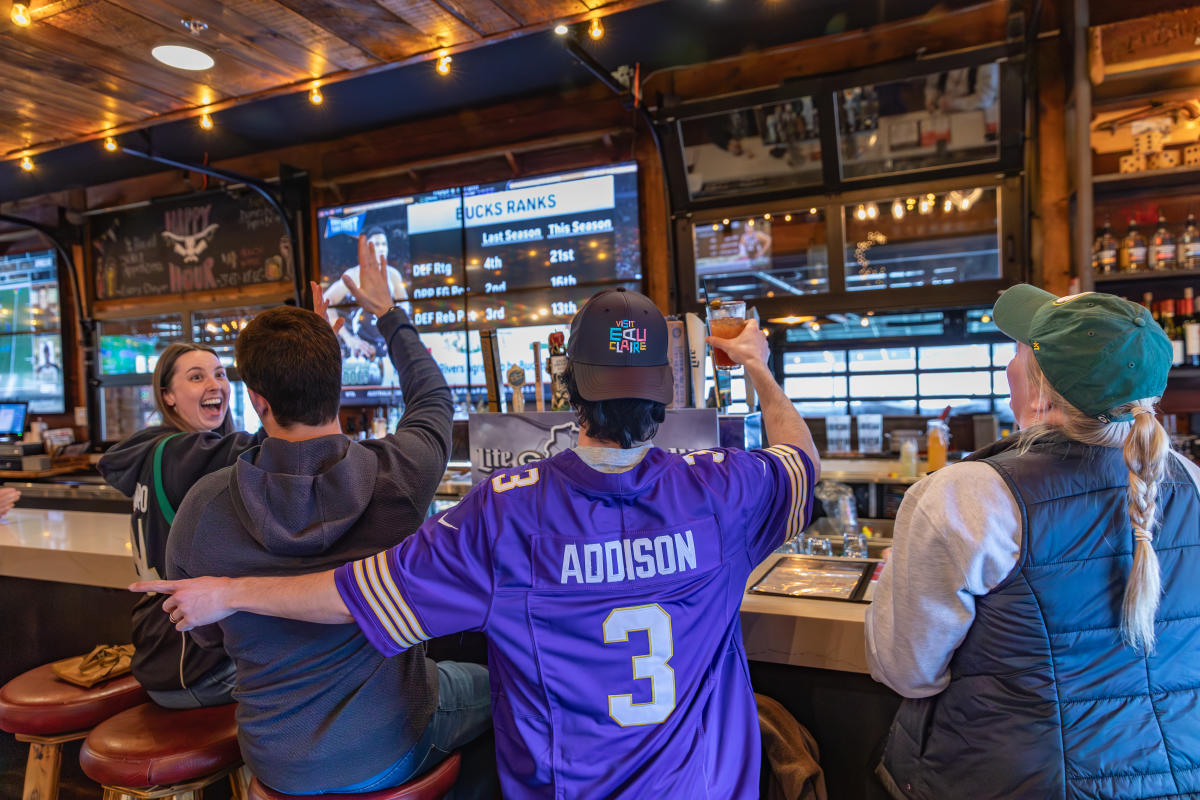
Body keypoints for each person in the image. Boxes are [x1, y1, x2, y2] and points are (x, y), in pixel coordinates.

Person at [132, 287, 821, 799]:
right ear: (666, 393)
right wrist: (759, 368)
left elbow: (353, 597)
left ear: (569, 388)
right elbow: (801, 460)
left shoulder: (505, 511)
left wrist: (230, 593)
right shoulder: (727, 490)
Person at [147, 251, 491, 797]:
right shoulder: (398, 476)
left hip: (274, 758)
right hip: (390, 743)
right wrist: (387, 312)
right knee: (507, 689)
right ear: (340, 383)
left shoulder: (202, 507)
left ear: (255, 399)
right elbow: (433, 397)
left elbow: (208, 639)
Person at [865, 285, 1200, 800]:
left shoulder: (967, 495)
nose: (1007, 368)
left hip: (1012, 782)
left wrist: (895, 579)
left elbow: (908, 672)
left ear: (1043, 393)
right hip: (1176, 773)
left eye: (1018, 354)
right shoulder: (1192, 484)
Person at [98, 342, 264, 709]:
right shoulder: (182, 453)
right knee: (314, 673)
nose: (214, 383)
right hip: (196, 666)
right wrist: (300, 377)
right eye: (196, 377)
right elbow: (278, 448)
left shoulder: (156, 449)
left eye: (220, 374)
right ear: (168, 396)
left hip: (161, 651)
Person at [321, 227, 408, 359]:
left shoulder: (394, 275)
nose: (381, 248)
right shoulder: (353, 275)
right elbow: (326, 301)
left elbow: (405, 308)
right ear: (367, 249)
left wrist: (399, 335)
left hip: (388, 342)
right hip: (361, 346)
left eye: (384, 244)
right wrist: (348, 338)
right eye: (376, 244)